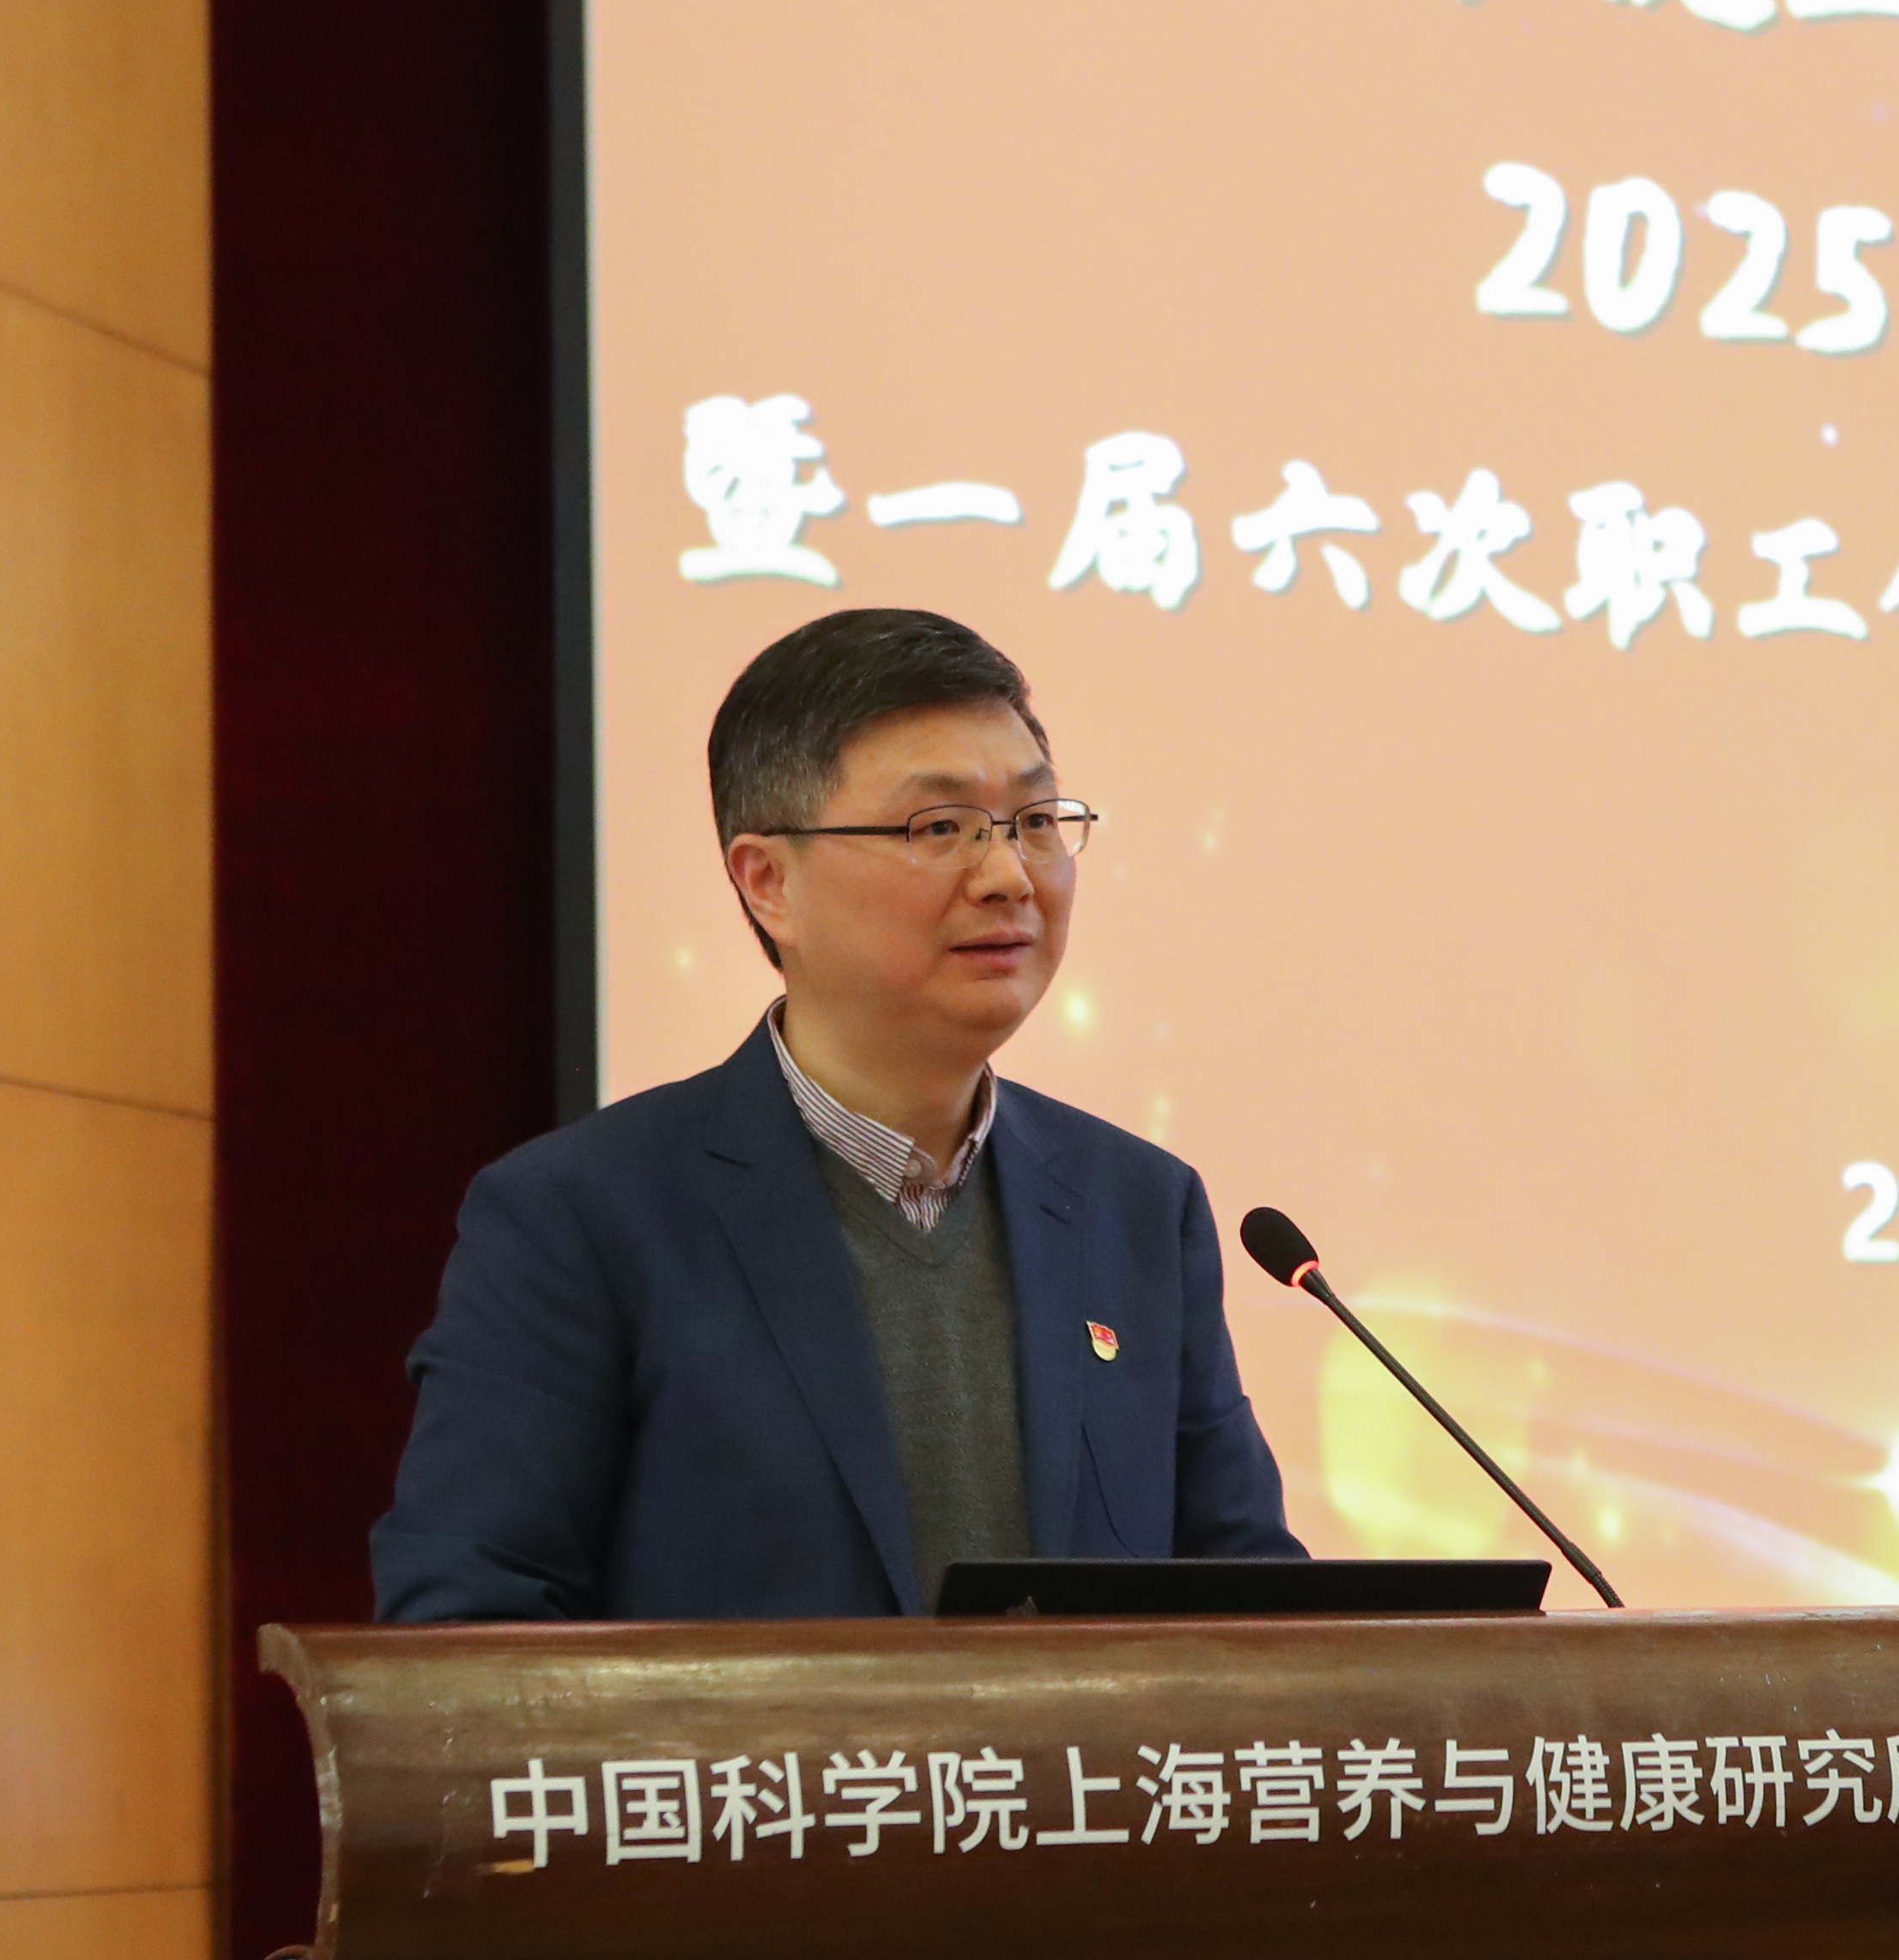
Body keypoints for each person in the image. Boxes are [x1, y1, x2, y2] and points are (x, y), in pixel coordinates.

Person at [374, 608, 1301, 1622]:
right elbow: (466, 1622)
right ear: (768, 882)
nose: (1008, 877)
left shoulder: (1138, 1209)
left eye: (1037, 823)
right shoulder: (580, 1218)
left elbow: (1255, 1614)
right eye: (939, 828)